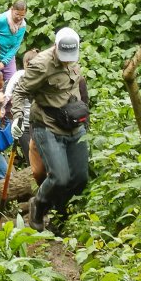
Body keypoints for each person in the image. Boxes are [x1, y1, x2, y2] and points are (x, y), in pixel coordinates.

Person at [12, 28, 89, 230]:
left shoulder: (74, 58)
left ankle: (60, 214)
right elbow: (20, 91)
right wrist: (18, 117)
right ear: (56, 47)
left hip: (73, 124)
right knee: (60, 177)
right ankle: (38, 204)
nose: (67, 61)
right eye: (63, 57)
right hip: (47, 125)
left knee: (80, 177)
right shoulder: (41, 65)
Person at [6, 49, 45, 184]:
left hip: (37, 122)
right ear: (27, 64)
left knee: (41, 157)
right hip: (22, 123)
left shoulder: (42, 76)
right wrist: (14, 118)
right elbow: (8, 95)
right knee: (31, 159)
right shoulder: (19, 76)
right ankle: (33, 187)